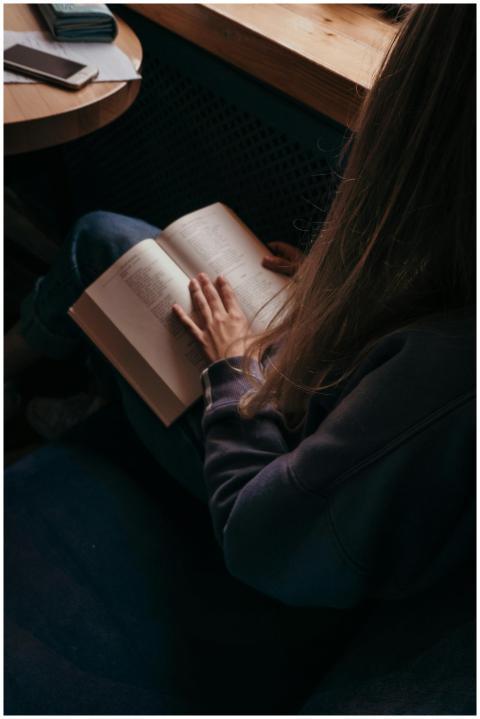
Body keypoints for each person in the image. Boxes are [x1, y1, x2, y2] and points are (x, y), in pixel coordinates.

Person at [5, 3, 475, 714]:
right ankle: (87, 382)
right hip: (297, 398)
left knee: (99, 241)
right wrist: (327, 292)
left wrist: (233, 366)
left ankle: (29, 367)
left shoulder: (444, 379)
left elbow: (260, 532)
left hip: (255, 449)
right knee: (125, 251)